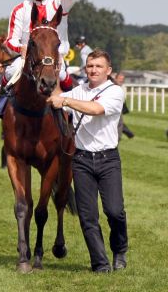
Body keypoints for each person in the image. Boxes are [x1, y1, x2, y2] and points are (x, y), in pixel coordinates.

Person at [47, 48, 128, 273]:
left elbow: (95, 109)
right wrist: (55, 73)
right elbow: (56, 97)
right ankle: (100, 264)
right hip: (81, 160)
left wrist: (66, 101)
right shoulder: (78, 90)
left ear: (108, 70)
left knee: (114, 211)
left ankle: (120, 248)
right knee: (87, 215)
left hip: (108, 159)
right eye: (90, 66)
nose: (93, 70)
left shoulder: (115, 91)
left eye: (98, 66)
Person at [0, 0, 91, 94]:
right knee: (11, 70)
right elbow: (10, 41)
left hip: (55, 59)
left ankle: (74, 110)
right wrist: (21, 49)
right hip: (28, 59)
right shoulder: (20, 9)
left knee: (62, 75)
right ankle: (1, 99)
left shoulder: (59, 3)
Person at [114, 72, 135, 141]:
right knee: (119, 123)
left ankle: (120, 137)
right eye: (120, 79)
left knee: (119, 123)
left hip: (119, 108)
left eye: (123, 79)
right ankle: (127, 133)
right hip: (113, 109)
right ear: (115, 79)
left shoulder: (122, 87)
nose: (121, 80)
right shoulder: (112, 87)